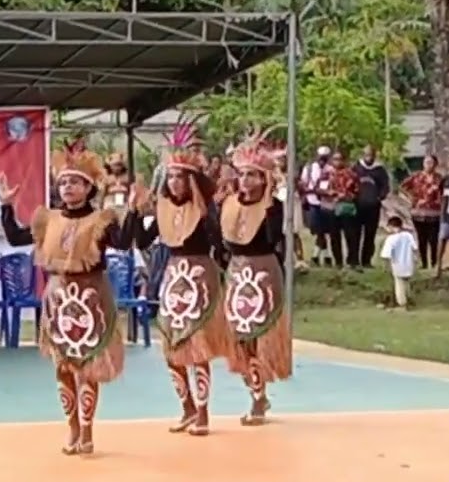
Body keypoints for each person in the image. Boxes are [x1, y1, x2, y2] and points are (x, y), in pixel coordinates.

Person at [0, 139, 126, 455]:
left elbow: (124, 242)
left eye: (75, 182)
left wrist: (132, 211)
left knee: (87, 366)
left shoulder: (101, 220)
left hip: (90, 299)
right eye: (63, 182)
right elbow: (15, 236)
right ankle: (71, 426)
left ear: (88, 187)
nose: (68, 187)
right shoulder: (48, 219)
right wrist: (6, 206)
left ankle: (87, 429)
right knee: (63, 365)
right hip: (58, 301)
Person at [125, 128, 232, 436]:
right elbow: (141, 239)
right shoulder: (163, 209)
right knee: (172, 347)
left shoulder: (203, 210)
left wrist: (204, 211)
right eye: (170, 177)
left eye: (180, 177)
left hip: (200, 276)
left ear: (191, 180)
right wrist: (133, 209)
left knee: (197, 347)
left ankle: (202, 413)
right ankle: (185, 407)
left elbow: (217, 241)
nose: (174, 182)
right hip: (173, 277)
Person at [220, 136, 290, 426]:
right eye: (242, 174)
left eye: (252, 175)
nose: (245, 180)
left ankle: (259, 398)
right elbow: (223, 243)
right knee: (241, 337)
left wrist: (272, 205)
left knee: (260, 336)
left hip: (263, 273)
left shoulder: (273, 207)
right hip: (237, 273)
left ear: (264, 179)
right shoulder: (227, 204)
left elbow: (275, 240)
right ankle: (256, 393)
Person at [399, 154, 442, 269]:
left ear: (435, 164)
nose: (428, 165)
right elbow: (402, 187)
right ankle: (424, 263)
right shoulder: (416, 176)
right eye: (426, 162)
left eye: (430, 162)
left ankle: (434, 262)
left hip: (435, 213)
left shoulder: (439, 178)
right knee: (421, 239)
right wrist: (411, 198)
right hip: (418, 213)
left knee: (433, 239)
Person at [317, 151, 358, 268]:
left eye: (340, 159)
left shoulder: (351, 174)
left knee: (350, 235)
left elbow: (357, 191)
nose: (337, 161)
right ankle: (338, 261)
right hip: (331, 208)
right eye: (335, 159)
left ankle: (352, 261)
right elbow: (318, 189)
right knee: (334, 236)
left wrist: (345, 195)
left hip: (346, 208)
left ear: (344, 160)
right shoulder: (326, 174)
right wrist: (329, 192)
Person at [352, 145, 390, 267]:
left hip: (373, 207)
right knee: (355, 233)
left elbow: (385, 186)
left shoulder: (380, 170)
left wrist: (380, 197)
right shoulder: (356, 168)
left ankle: (366, 260)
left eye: (371, 155)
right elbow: (349, 183)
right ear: (363, 154)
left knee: (370, 234)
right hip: (357, 205)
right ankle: (354, 260)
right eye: (367, 154)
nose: (369, 157)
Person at [300, 146, 333, 265]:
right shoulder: (309, 168)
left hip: (326, 203)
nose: (322, 160)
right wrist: (312, 190)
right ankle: (325, 255)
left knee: (324, 230)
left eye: (325, 157)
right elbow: (303, 184)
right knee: (318, 229)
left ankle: (317, 255)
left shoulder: (331, 169)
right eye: (320, 157)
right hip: (312, 201)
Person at [380, 216, 417, 309]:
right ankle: (409, 299)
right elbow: (415, 248)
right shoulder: (408, 235)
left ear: (391, 226)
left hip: (397, 265)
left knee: (399, 285)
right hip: (409, 264)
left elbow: (386, 255)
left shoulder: (391, 239)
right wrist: (415, 259)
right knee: (406, 283)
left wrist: (385, 266)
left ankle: (402, 304)